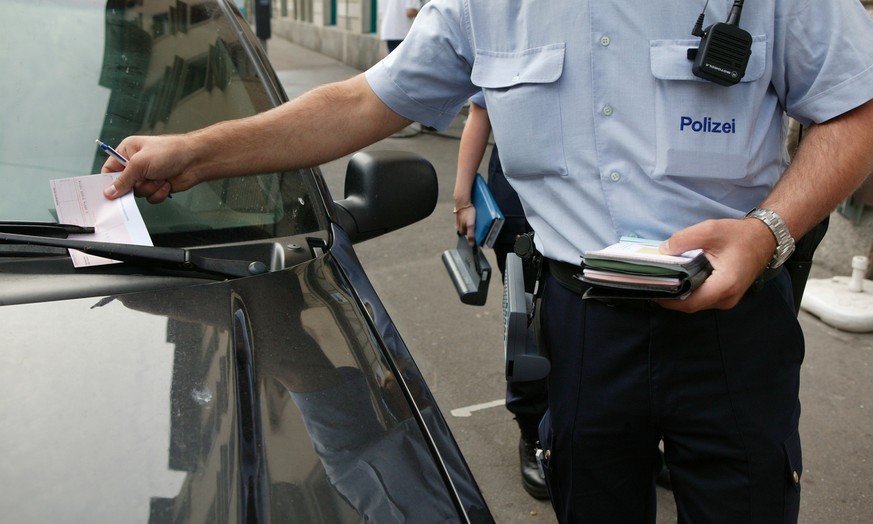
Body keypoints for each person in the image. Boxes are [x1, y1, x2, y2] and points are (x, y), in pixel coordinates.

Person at [102, 1, 873, 522]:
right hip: (583, 321)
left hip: (733, 324)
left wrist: (772, 228)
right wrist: (199, 150)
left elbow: (856, 104)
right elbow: (364, 101)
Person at [453, 93, 548, 500]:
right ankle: (532, 434)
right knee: (525, 327)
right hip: (519, 209)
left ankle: (635, 439)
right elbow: (480, 111)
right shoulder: (509, 28)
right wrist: (462, 199)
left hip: (600, 204)